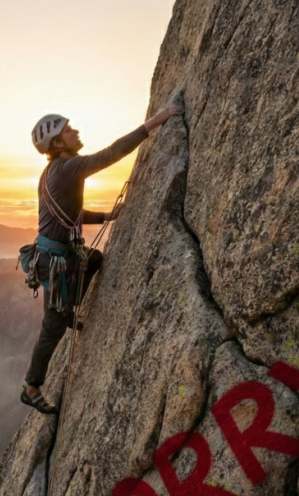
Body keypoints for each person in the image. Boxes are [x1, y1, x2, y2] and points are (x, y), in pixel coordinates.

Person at [20, 104, 184, 414]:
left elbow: (72, 213)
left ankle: (67, 311)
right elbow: (110, 154)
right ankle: (31, 387)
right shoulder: (68, 168)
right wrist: (154, 122)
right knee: (51, 329)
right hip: (54, 262)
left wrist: (108, 215)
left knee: (93, 259)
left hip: (54, 255)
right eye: (68, 130)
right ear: (57, 143)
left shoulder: (51, 173)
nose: (75, 132)